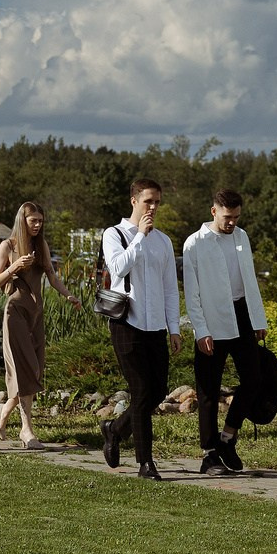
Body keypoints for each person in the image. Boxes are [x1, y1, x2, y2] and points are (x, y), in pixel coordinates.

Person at [180, 189, 270, 475]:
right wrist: (200, 330)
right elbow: (191, 292)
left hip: (242, 314)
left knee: (254, 379)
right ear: (213, 211)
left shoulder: (242, 237)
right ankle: (209, 455)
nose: (232, 222)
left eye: (236, 217)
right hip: (211, 319)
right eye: (227, 217)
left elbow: (250, 281)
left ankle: (228, 437)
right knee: (208, 389)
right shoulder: (195, 243)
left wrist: (258, 319)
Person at [98, 180, 181, 479]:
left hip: (156, 325)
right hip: (126, 323)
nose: (154, 207)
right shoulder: (114, 234)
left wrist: (174, 328)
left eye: (158, 201)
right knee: (141, 390)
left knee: (157, 391)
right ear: (133, 200)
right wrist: (140, 237)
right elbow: (117, 268)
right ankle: (146, 463)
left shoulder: (164, 241)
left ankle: (115, 429)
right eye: (148, 201)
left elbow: (171, 288)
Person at [0, 201, 81, 450]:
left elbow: (52, 276)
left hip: (36, 314)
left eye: (41, 221)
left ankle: (5, 408)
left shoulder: (40, 245)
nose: (38, 225)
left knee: (36, 369)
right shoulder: (7, 246)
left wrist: (67, 295)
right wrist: (14, 267)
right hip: (15, 313)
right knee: (25, 368)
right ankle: (26, 430)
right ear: (23, 220)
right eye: (34, 221)